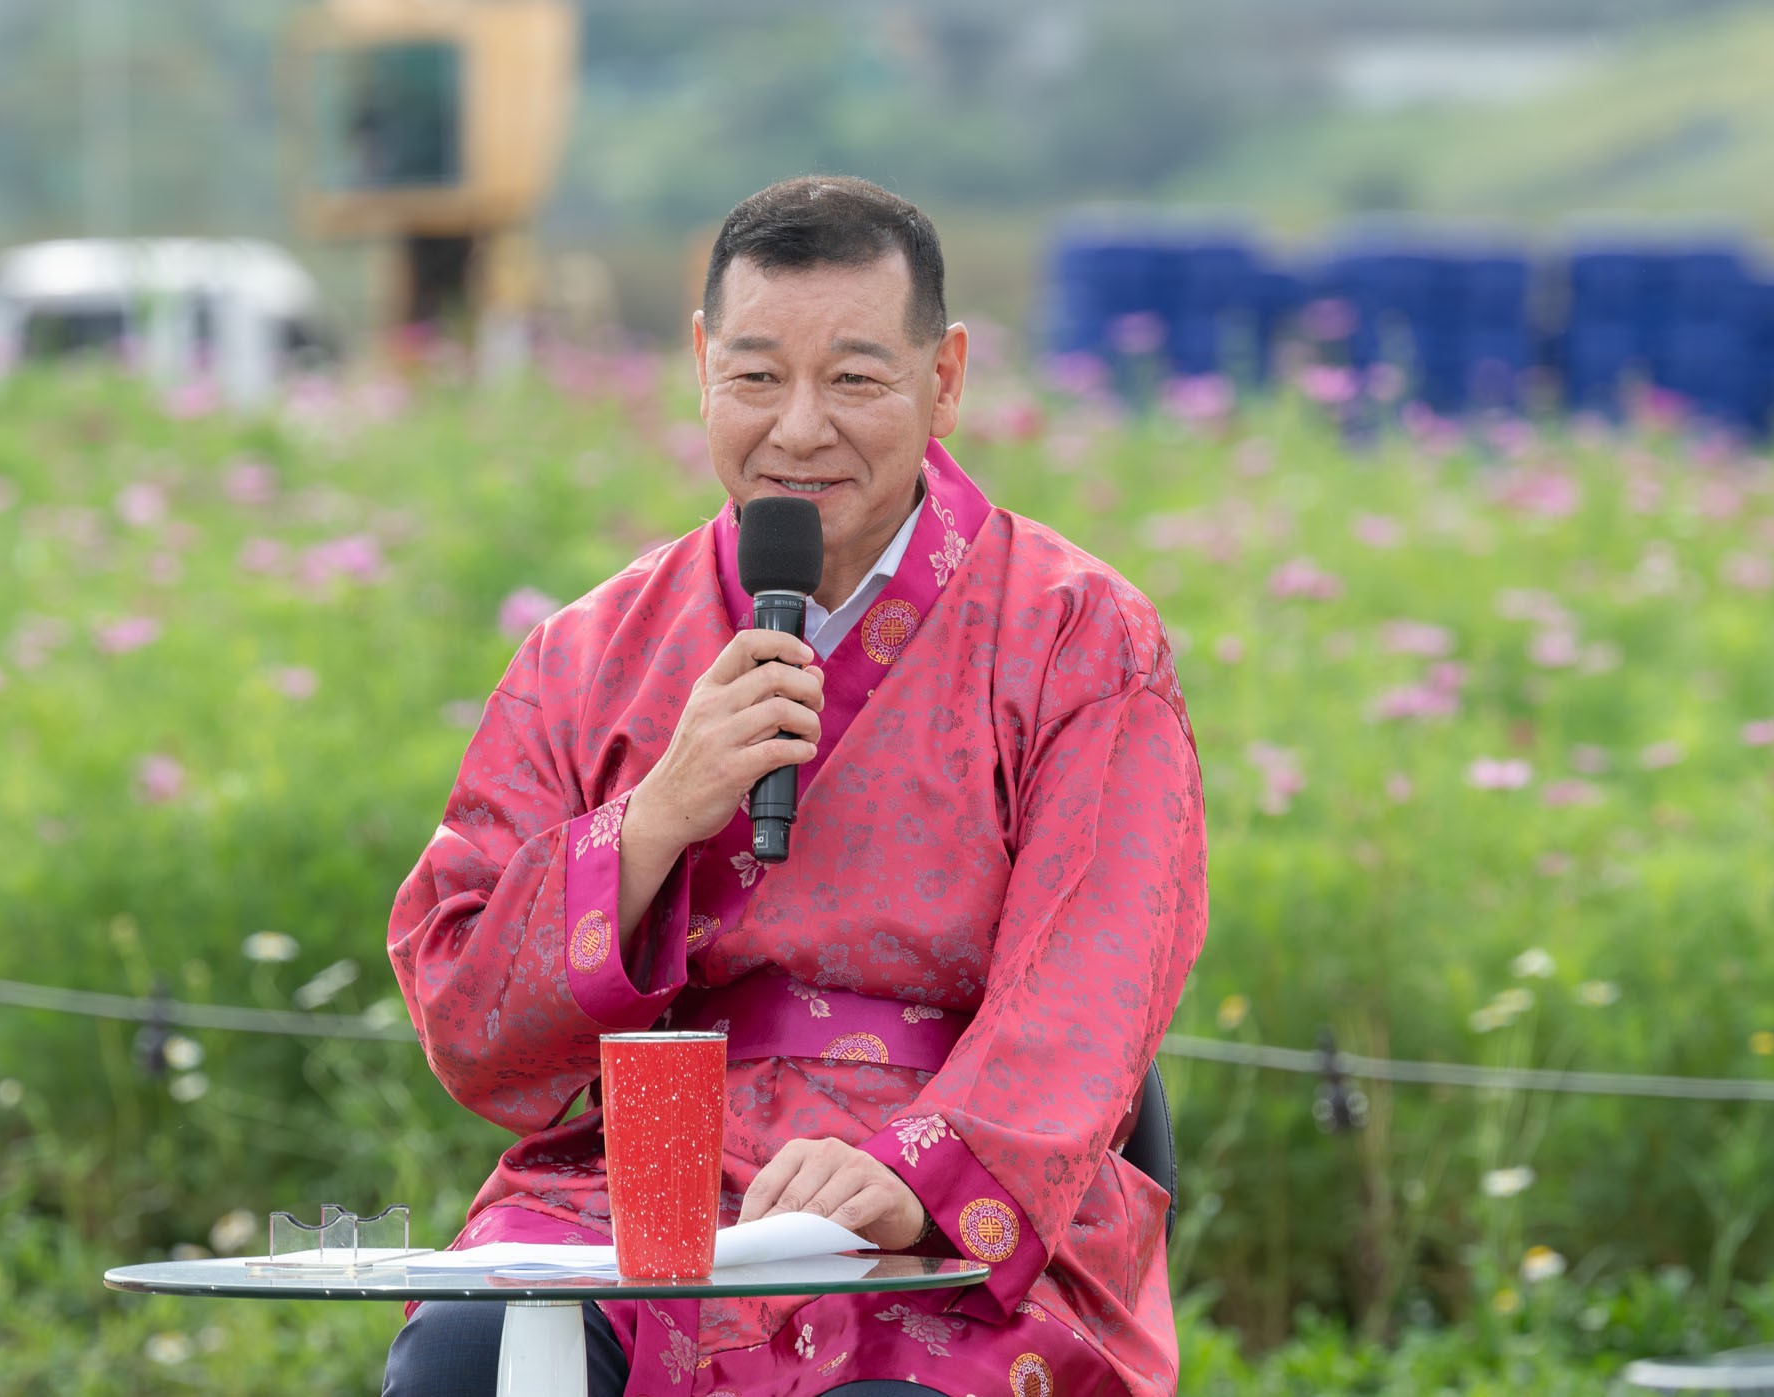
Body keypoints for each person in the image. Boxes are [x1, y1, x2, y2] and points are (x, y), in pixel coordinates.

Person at [382, 175, 1207, 1397]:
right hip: (637, 1183)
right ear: (701, 365)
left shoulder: (1080, 636)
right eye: (758, 376)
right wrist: (653, 820)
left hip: (936, 1197)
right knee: (469, 1361)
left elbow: (1099, 975)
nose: (801, 429)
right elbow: (466, 1014)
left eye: (856, 379)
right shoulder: (587, 650)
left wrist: (918, 1171)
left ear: (946, 378)